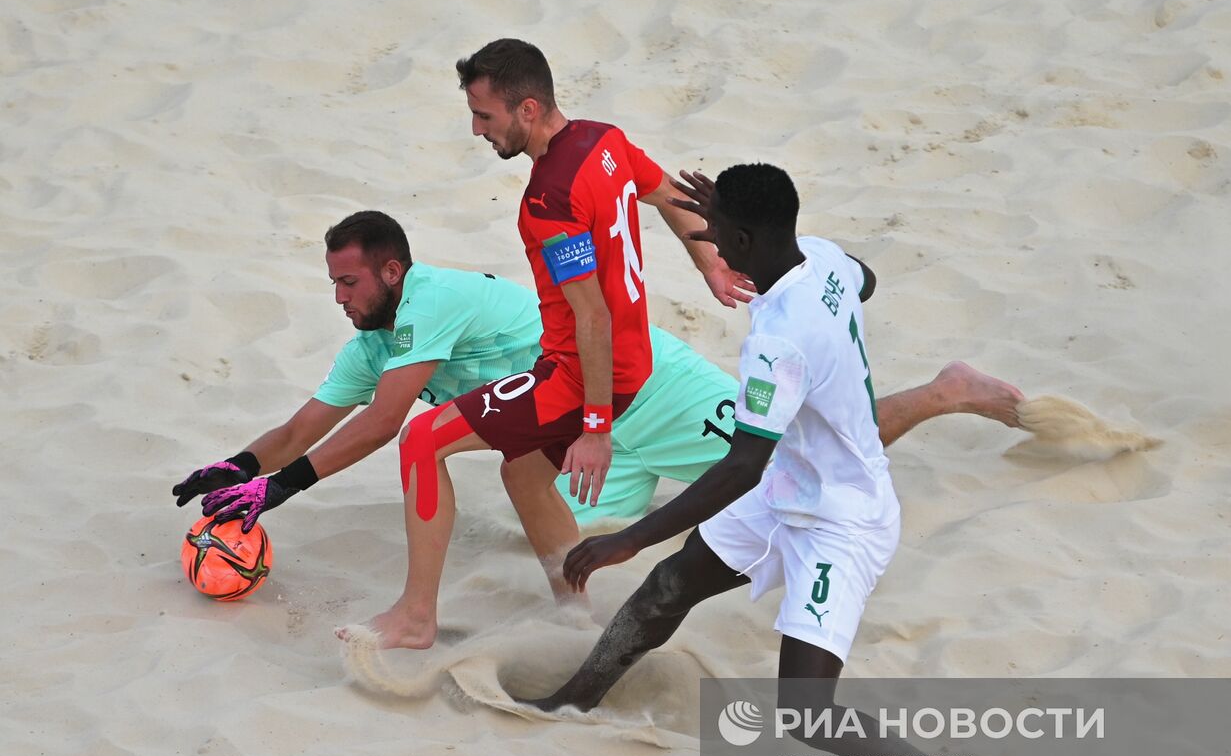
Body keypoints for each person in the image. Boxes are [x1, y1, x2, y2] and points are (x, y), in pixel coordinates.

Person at [173, 211, 1023, 646]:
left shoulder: (431, 298)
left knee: (799, 453)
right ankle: (572, 606)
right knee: (519, 471)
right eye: (333, 283)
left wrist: (275, 492)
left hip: (641, 385)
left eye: (349, 281)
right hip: (575, 419)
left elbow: (387, 426)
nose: (339, 296)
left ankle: (944, 391)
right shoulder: (379, 341)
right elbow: (306, 425)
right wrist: (234, 469)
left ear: (391, 270)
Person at [522, 164, 981, 756]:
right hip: (790, 487)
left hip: (842, 518)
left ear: (740, 244)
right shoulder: (820, 258)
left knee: (806, 713)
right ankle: (573, 701)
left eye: (713, 228)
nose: (702, 233)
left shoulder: (778, 342)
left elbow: (743, 465)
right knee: (668, 587)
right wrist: (738, 218)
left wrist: (629, 539)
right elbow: (863, 278)